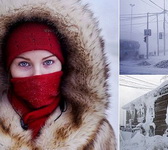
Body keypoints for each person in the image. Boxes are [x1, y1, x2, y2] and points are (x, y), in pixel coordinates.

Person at [0, 0, 116, 149]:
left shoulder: (97, 133)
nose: (37, 74)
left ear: (64, 65)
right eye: (24, 64)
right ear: (8, 69)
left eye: (48, 62)